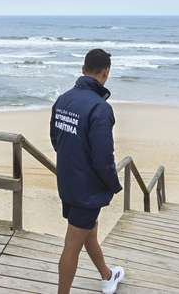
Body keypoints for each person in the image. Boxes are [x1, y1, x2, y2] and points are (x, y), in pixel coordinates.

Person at [50, 49, 124, 294]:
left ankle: (107, 274)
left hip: (67, 182)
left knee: (88, 232)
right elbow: (103, 158)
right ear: (106, 73)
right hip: (86, 190)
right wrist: (113, 184)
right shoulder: (100, 108)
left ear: (83, 70)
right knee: (72, 245)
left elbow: (55, 140)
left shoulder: (62, 99)